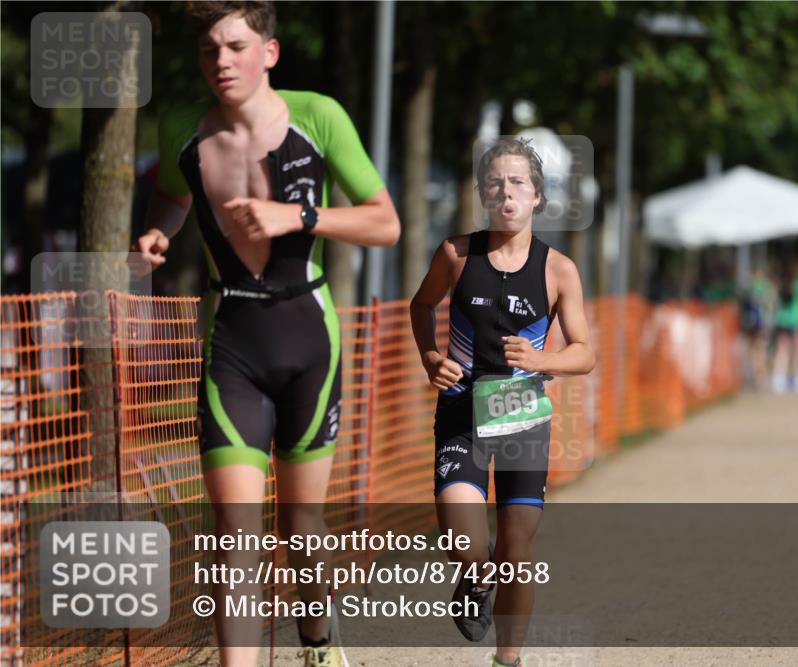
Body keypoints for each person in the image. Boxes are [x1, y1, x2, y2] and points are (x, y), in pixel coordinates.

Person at [130, 3, 400, 666]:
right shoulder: (179, 128)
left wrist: (297, 215)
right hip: (235, 342)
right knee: (234, 533)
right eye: (208, 51)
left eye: (235, 46)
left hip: (309, 336)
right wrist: (161, 228)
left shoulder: (318, 116)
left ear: (269, 53)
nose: (220, 61)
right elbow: (175, 190)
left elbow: (384, 222)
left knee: (300, 529)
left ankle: (315, 641)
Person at [410, 138, 594, 667]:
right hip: (463, 410)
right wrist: (429, 356)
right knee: (464, 544)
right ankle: (475, 576)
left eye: (518, 182)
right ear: (481, 194)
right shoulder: (455, 254)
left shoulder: (558, 271)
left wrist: (543, 362)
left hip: (521, 416)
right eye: (495, 182)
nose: (506, 191)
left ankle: (506, 661)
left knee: (517, 556)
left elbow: (584, 354)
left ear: (538, 196)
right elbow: (422, 305)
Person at [770, 259, 798, 394]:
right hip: (795, 321)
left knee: (782, 350)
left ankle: (778, 379)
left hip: (782, 321)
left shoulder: (780, 284)